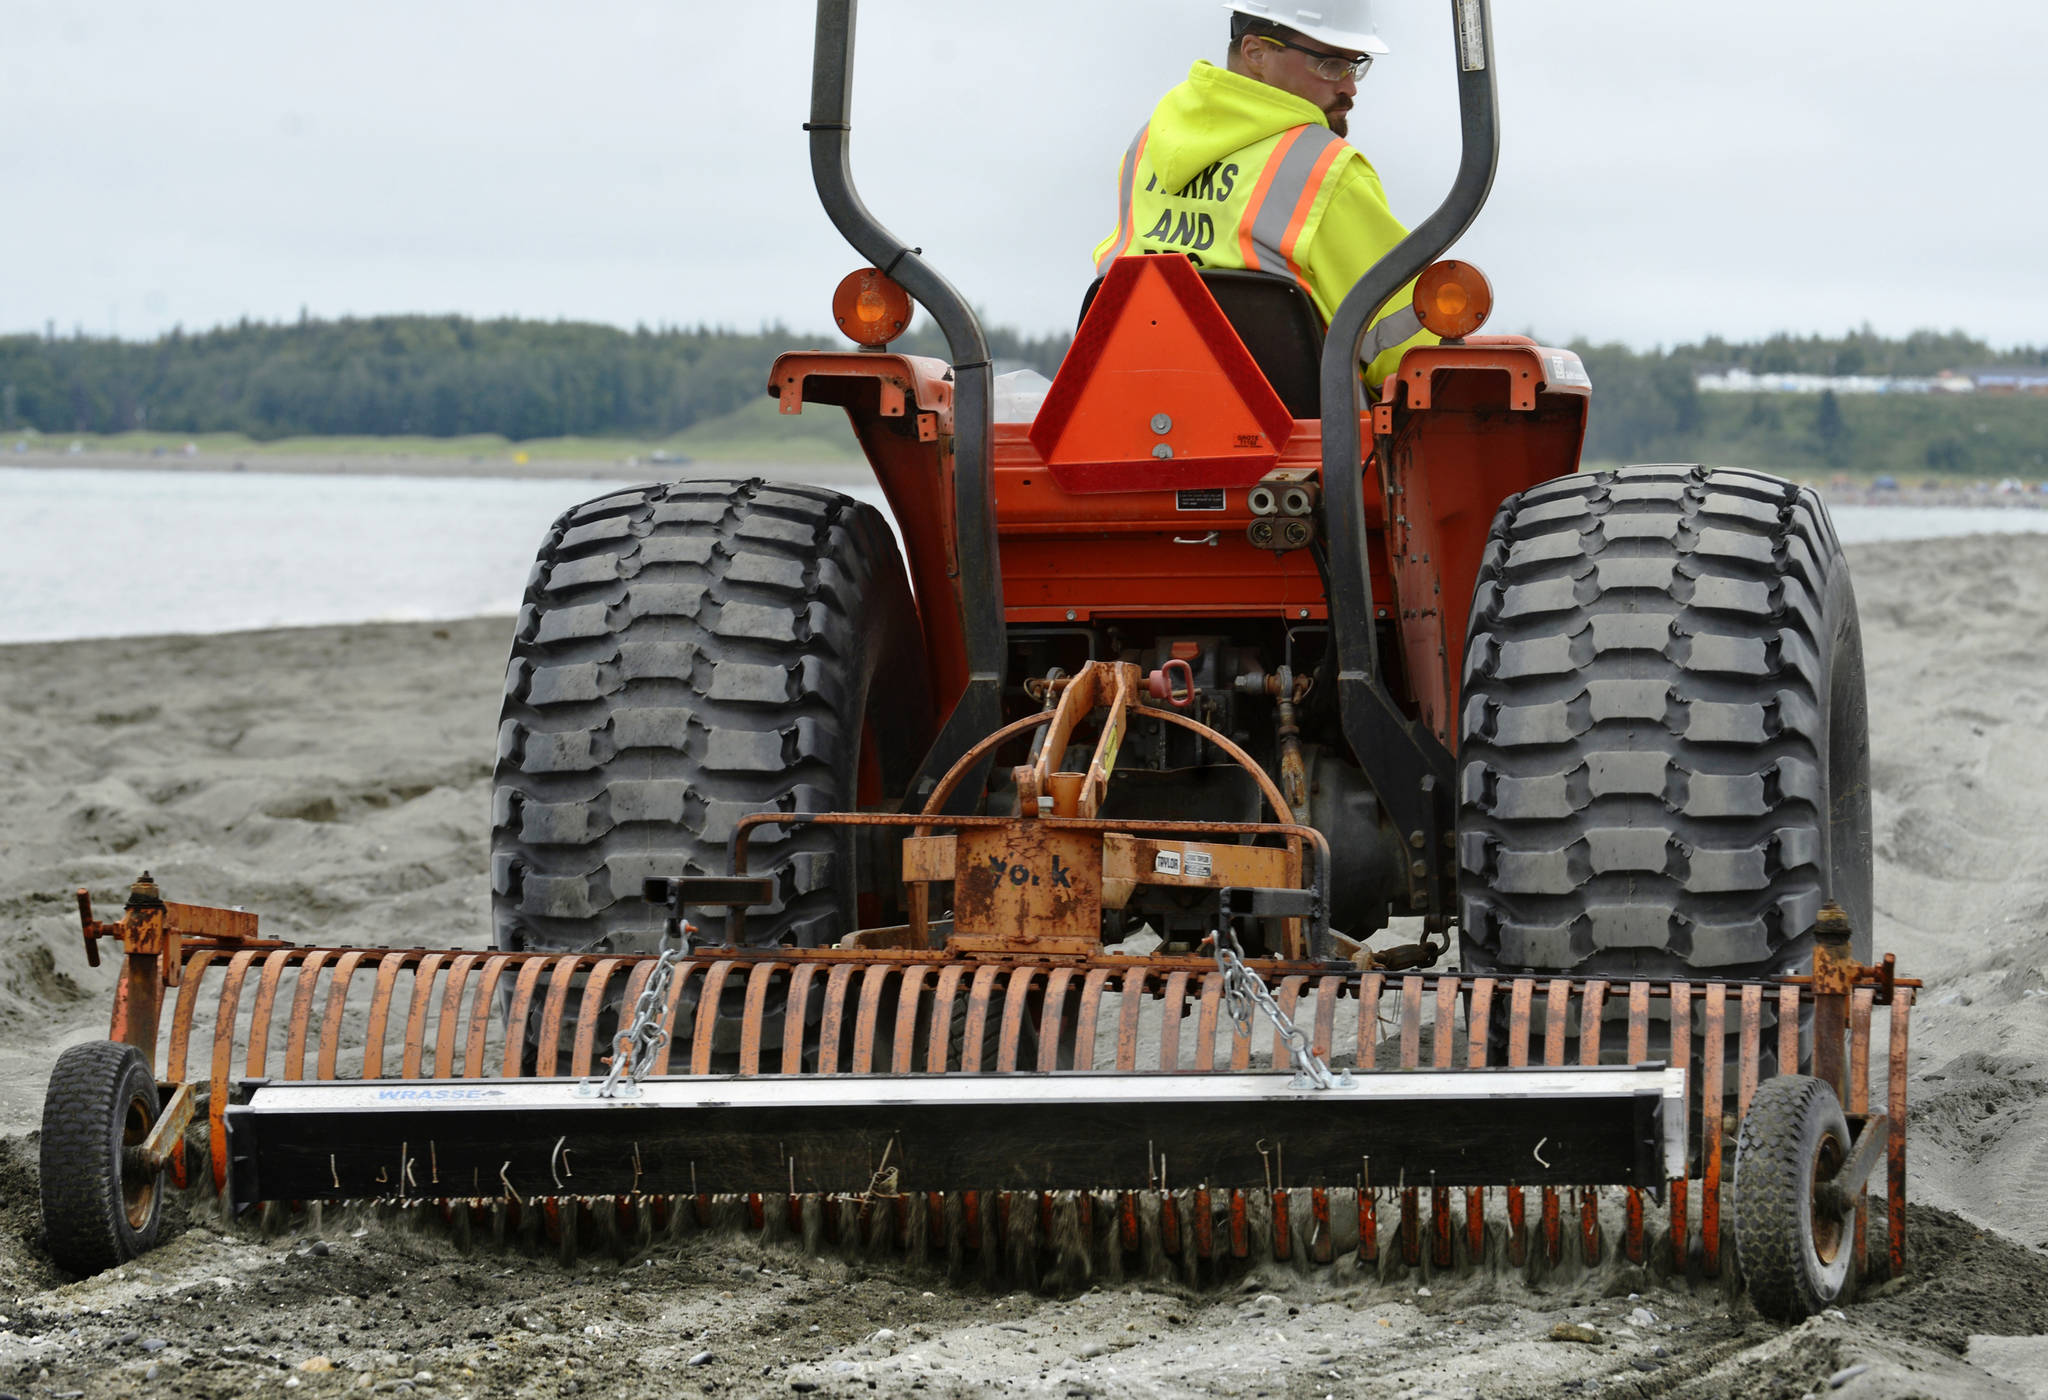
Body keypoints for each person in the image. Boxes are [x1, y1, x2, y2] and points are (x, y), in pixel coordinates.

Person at [1092, 1, 1432, 389]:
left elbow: (1116, 279)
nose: (1349, 86)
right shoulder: (1327, 169)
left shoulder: (1150, 142)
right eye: (1330, 64)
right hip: (1305, 440)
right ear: (1256, 53)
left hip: (1142, 416)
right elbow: (1409, 352)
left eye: (1355, 65)